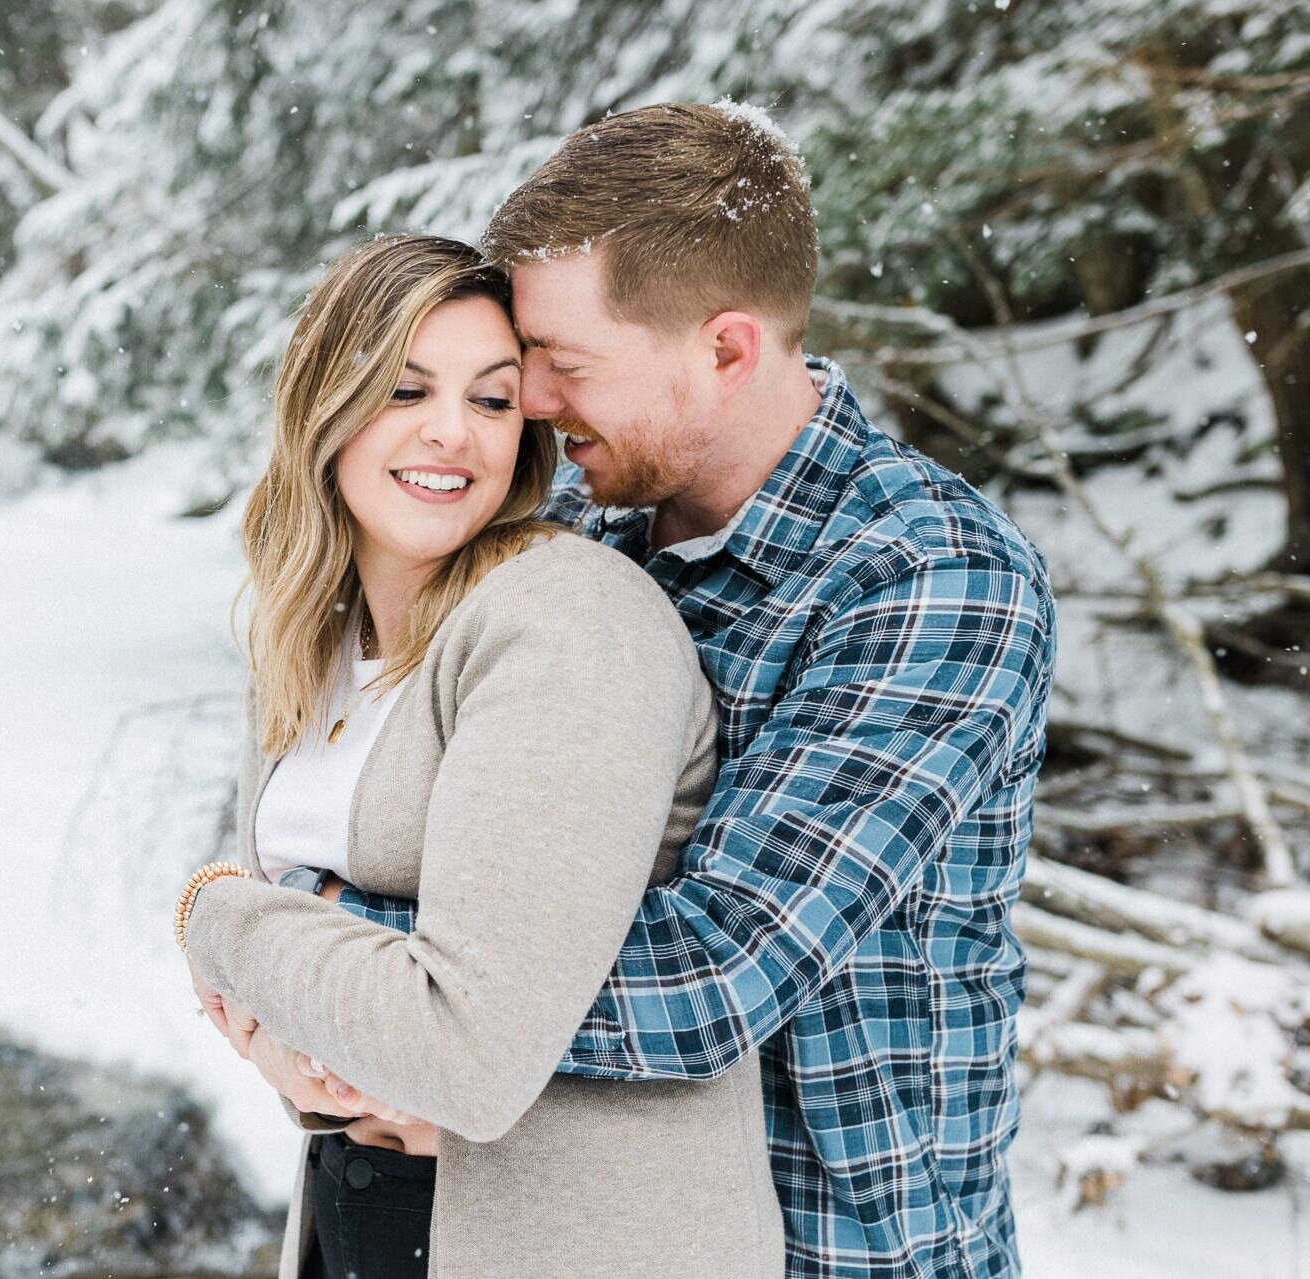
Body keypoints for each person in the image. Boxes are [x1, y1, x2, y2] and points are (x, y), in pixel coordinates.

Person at [270, 103, 1058, 1279]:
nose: (529, 401)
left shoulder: (928, 578)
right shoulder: (589, 525)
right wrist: (338, 1027)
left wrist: (306, 938)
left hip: (837, 1245)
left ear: (727, 349)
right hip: (572, 1231)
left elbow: (709, 975)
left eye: (562, 363)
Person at [175, 232, 785, 1279]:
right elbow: (299, 998)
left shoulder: (565, 616)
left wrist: (210, 914)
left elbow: (466, 1051)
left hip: (576, 1241)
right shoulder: (308, 639)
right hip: (356, 1210)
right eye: (405, 390)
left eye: (495, 400)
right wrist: (302, 1065)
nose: (453, 433)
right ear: (325, 400)